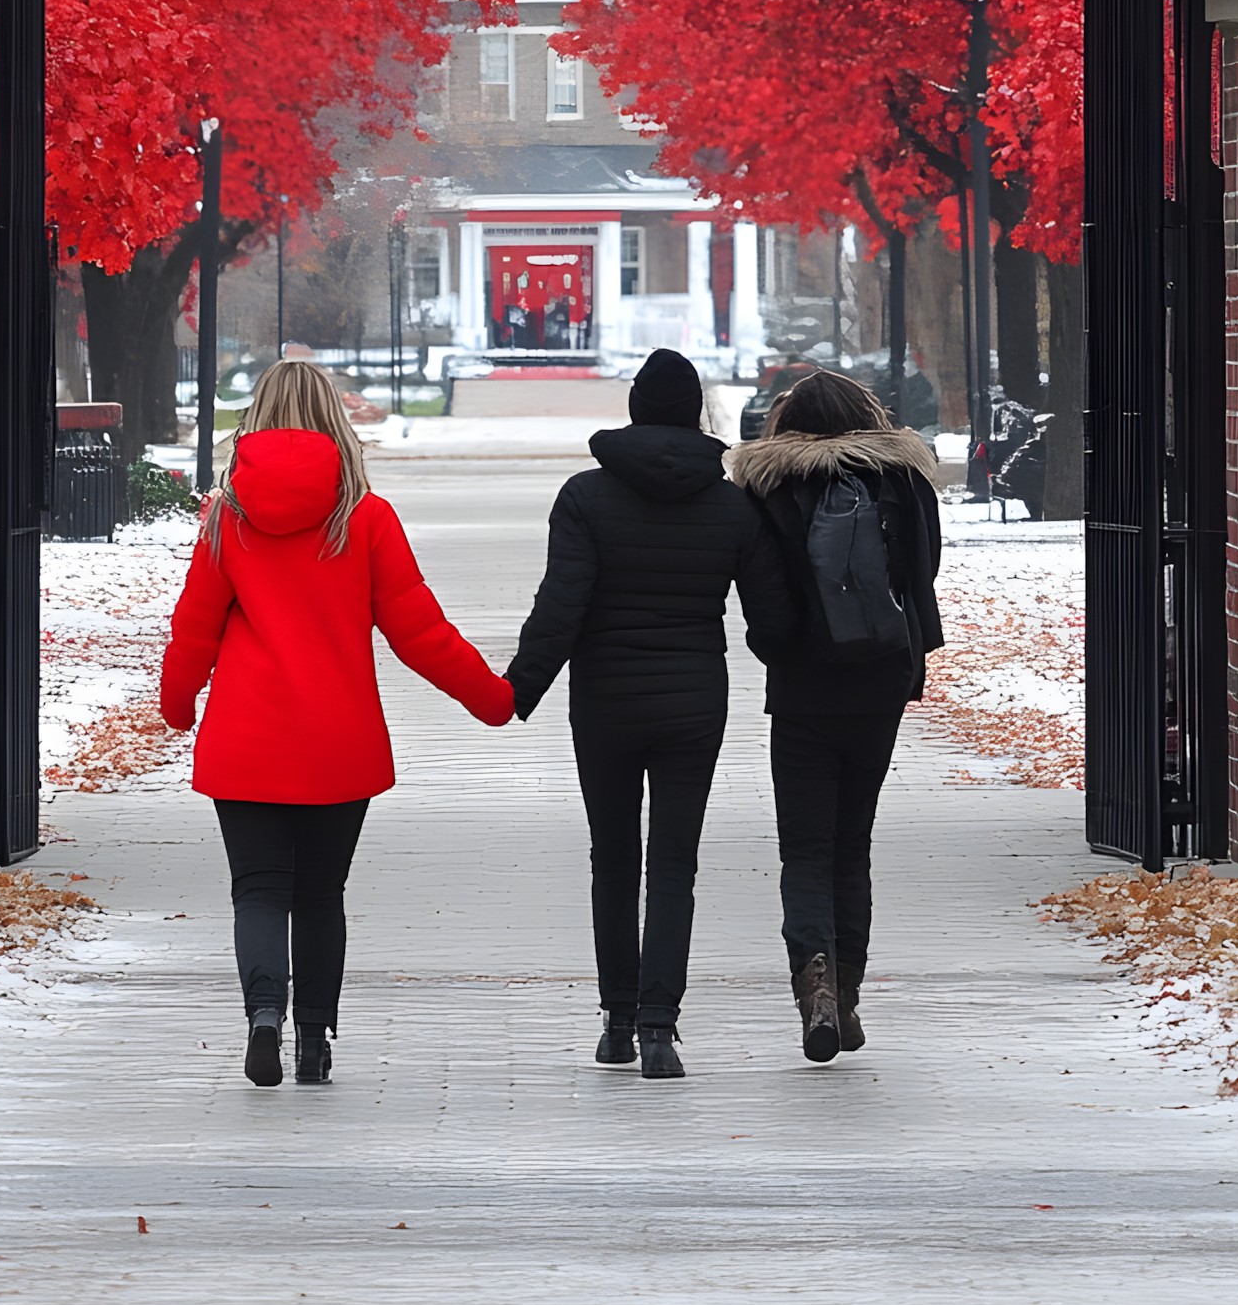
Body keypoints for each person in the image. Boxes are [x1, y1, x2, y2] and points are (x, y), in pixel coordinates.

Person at [159, 358, 513, 1089]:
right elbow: (419, 631)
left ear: (255, 418)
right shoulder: (365, 516)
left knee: (258, 889)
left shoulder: (227, 517)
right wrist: (491, 697)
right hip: (336, 741)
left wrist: (178, 699)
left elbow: (194, 627)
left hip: (247, 739)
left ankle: (264, 1016)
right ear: (337, 419)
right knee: (320, 895)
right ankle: (315, 1039)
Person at [506, 347, 794, 1080]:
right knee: (674, 862)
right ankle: (662, 1026)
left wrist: (518, 689)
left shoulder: (584, 497)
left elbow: (561, 605)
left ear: (634, 407)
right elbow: (772, 622)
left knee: (613, 857)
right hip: (695, 699)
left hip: (604, 699)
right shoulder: (733, 505)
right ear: (694, 412)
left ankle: (617, 1020)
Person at [728, 369, 943, 1063]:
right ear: (865, 415)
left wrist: (780, 648)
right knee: (853, 842)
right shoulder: (903, 482)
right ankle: (846, 993)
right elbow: (922, 573)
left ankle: (812, 977)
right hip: (880, 681)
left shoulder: (767, 488)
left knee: (805, 847)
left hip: (803, 688)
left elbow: (763, 602)